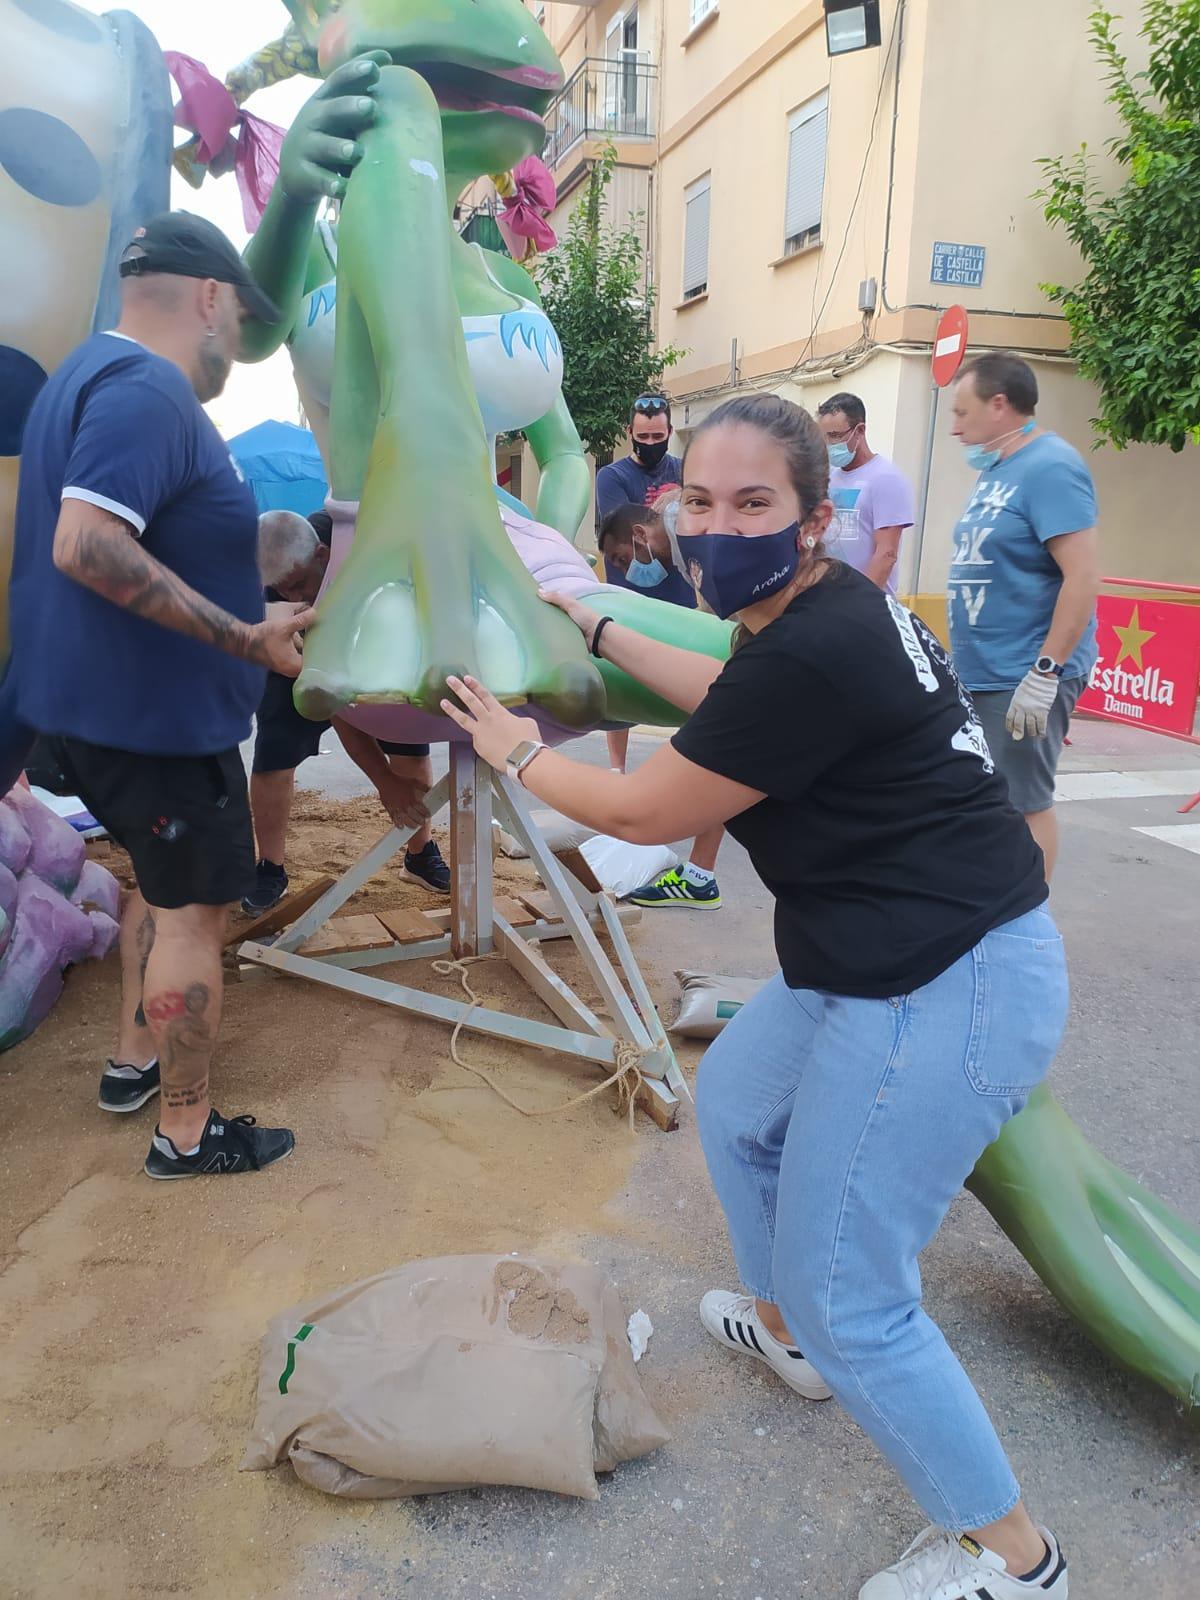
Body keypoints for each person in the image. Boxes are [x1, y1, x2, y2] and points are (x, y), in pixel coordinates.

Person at [441, 394, 1071, 1600]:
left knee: (860, 1294)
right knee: (732, 1100)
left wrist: (516, 746)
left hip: (950, 979)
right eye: (702, 502)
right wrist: (592, 616)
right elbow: (719, 679)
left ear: (815, 517)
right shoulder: (808, 613)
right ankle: (792, 1331)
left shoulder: (818, 645)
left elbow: (639, 811)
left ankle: (1016, 1557)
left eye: (755, 505)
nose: (718, 526)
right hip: (871, 952)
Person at [9, 212, 307, 1181]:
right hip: (162, 728)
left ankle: (132, 1061)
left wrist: (250, 557)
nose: (235, 350)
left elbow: (140, 536)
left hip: (106, 715)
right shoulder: (151, 392)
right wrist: (248, 637)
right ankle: (186, 1128)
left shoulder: (85, 379)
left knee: (157, 887)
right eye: (240, 323)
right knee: (193, 918)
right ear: (211, 299)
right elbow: (85, 544)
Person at [245, 509, 446, 914]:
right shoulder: (275, 577)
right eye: (278, 590)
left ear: (323, 554)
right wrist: (382, 781)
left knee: (409, 743)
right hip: (301, 657)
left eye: (299, 585)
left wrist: (394, 774)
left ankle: (419, 853)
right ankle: (269, 867)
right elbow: (329, 694)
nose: (289, 596)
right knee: (273, 757)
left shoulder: (363, 546)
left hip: (371, 635)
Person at [949, 353, 1099, 880]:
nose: (953, 427)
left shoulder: (1050, 466)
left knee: (1022, 804)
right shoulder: (1000, 469)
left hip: (1023, 672)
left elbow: (1081, 577)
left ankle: (1023, 929)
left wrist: (1046, 671)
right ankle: (985, 909)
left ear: (998, 405)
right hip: (984, 669)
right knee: (988, 801)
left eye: (962, 413)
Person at [597, 501, 723, 910]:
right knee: (719, 750)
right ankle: (700, 875)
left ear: (639, 535)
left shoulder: (690, 534)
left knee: (719, 750)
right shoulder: (683, 544)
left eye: (621, 558)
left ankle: (700, 876)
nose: (626, 569)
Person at [817, 392, 915, 590]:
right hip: (828, 600)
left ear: (859, 430)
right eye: (825, 437)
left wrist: (861, 603)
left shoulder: (886, 478)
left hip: (866, 603)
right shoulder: (828, 477)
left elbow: (886, 554)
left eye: (835, 436)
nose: (829, 444)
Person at [594, 394, 683, 523]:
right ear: (630, 432)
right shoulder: (612, 476)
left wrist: (681, 495)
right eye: (643, 436)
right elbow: (625, 536)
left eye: (658, 436)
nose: (650, 443)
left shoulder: (685, 470)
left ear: (670, 432)